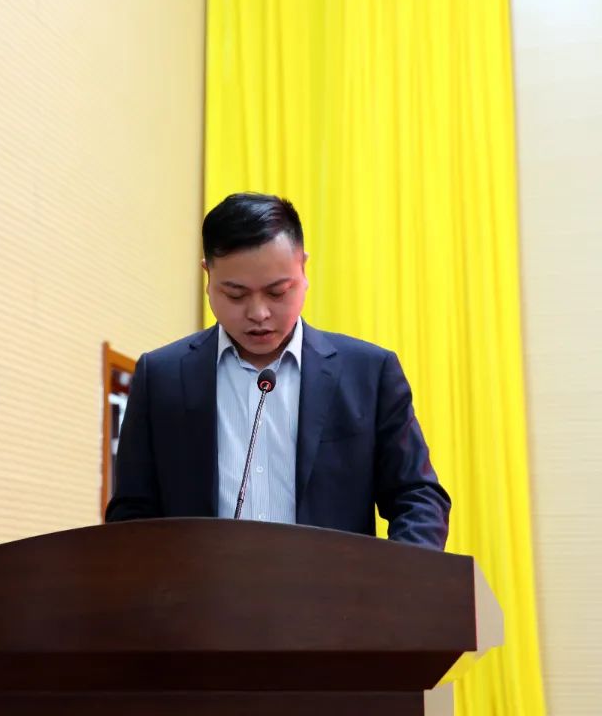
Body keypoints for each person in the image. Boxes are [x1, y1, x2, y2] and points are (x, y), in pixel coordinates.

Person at [105, 192, 450, 549]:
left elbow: (418, 497)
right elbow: (132, 514)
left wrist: (399, 577)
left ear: (303, 269)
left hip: (335, 586)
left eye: (277, 292)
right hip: (201, 586)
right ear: (207, 276)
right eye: (236, 294)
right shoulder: (161, 377)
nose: (258, 313)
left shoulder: (369, 373)